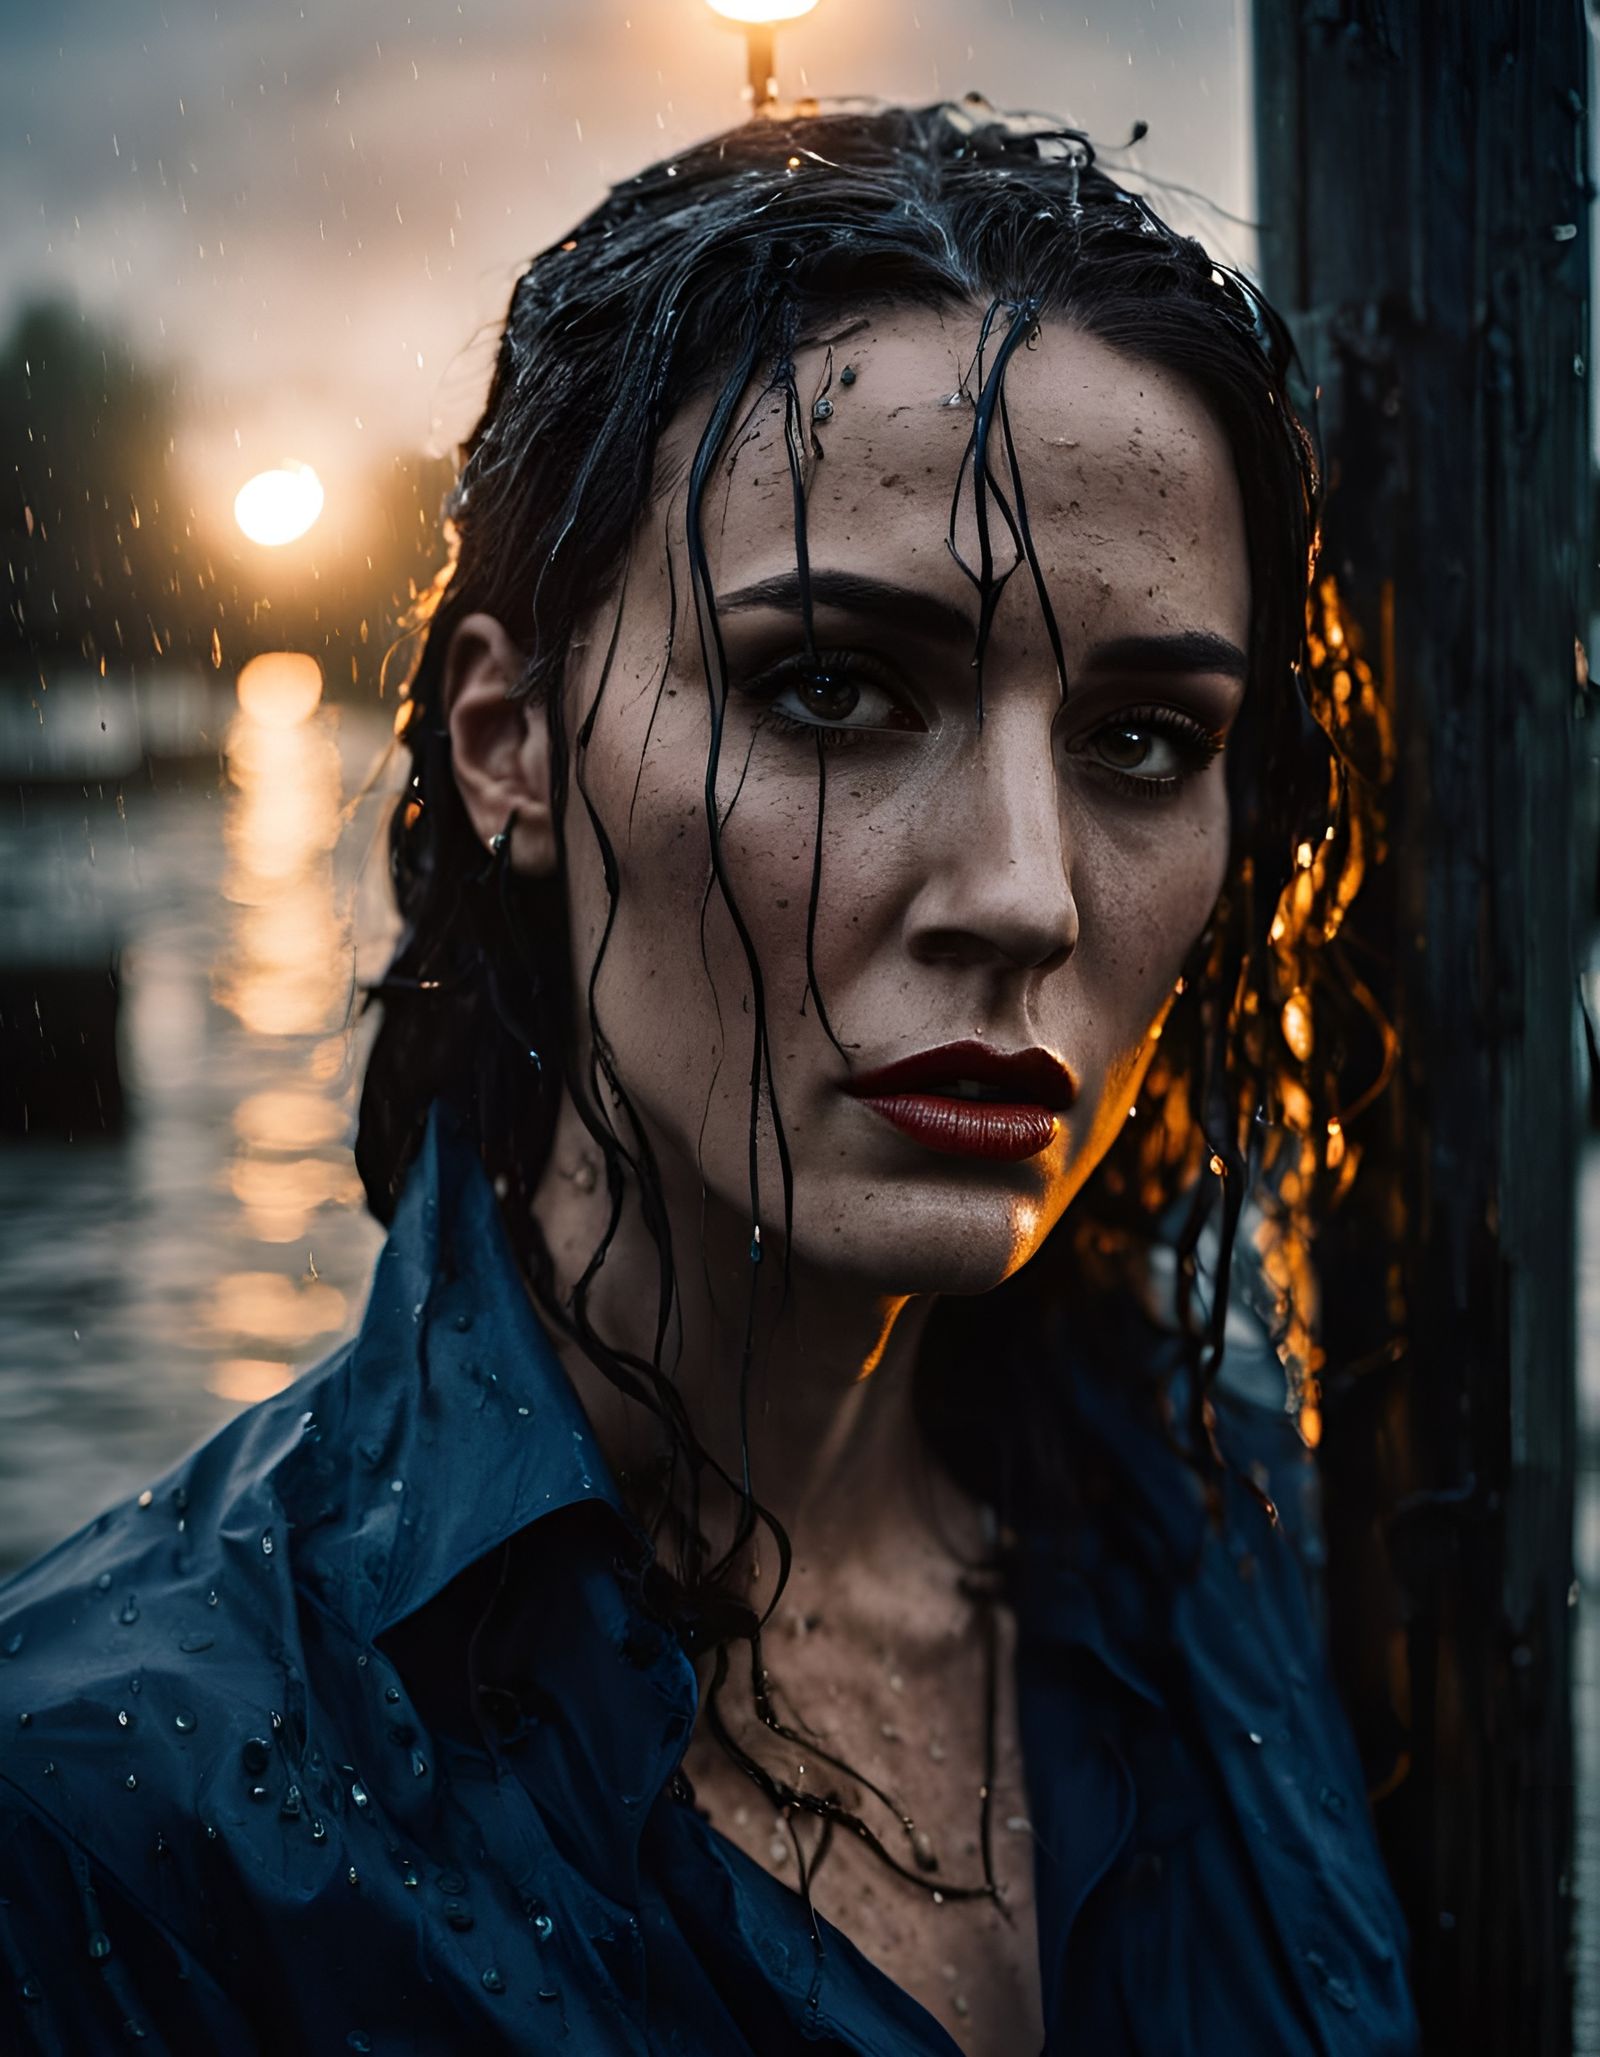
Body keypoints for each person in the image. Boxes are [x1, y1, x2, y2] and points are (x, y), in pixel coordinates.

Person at [0, 99, 1418, 2055]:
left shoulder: (1271, 1550)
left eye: (1144, 741)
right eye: (831, 688)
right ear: (507, 743)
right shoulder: (106, 1805)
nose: (1020, 894)